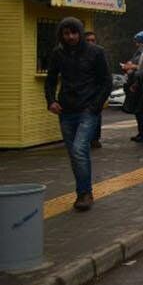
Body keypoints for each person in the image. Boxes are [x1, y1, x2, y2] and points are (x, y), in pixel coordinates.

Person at [44, 17, 113, 212]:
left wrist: (95, 106)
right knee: (75, 154)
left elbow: (106, 82)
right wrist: (51, 101)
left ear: (80, 33)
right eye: (66, 33)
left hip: (87, 110)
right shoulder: (58, 54)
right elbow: (50, 80)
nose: (71, 37)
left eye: (74, 32)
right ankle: (82, 191)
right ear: (61, 35)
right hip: (66, 110)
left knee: (79, 149)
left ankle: (85, 194)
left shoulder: (96, 53)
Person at [122, 31, 143, 142]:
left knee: (141, 111)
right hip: (136, 83)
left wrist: (132, 67)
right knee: (138, 111)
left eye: (138, 42)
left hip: (140, 85)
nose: (136, 45)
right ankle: (142, 133)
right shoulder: (139, 53)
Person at [83, 30, 107, 147]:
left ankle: (94, 139)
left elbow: (105, 76)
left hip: (96, 91)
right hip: (83, 91)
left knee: (96, 115)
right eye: (88, 40)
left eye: (93, 40)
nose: (91, 43)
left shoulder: (99, 53)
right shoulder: (78, 54)